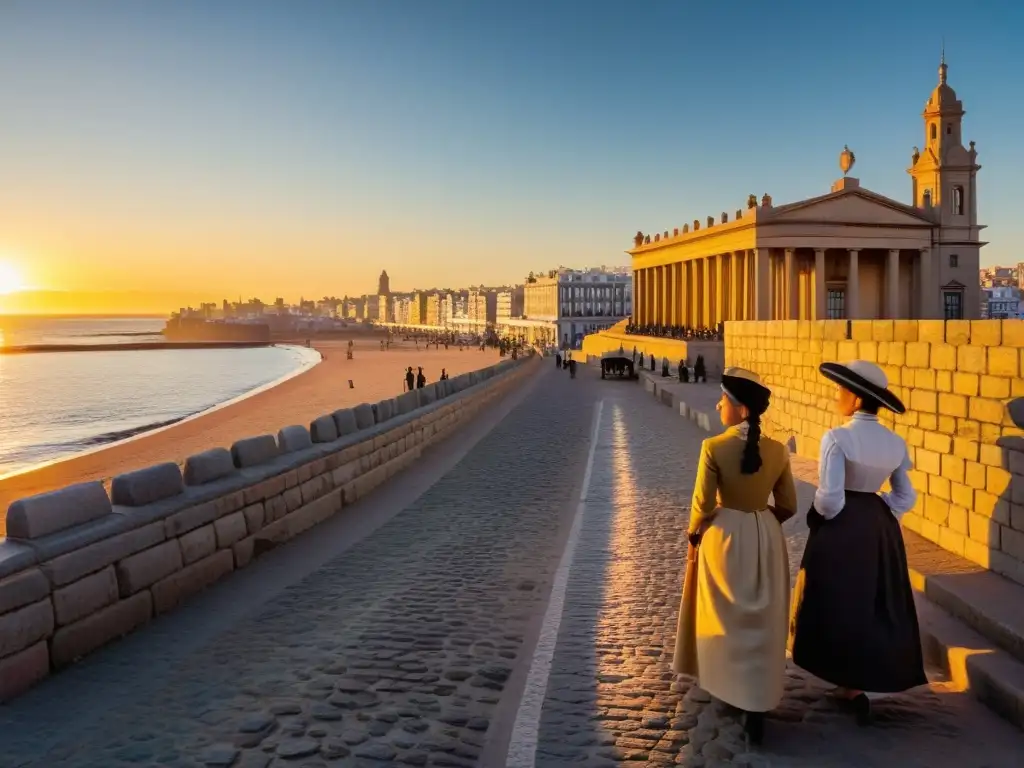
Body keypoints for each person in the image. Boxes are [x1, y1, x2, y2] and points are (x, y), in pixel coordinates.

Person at [789, 360, 925, 725]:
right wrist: (879, 513)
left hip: (843, 526)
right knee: (873, 600)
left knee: (838, 600)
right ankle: (859, 681)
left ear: (853, 397)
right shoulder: (895, 442)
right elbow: (905, 496)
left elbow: (830, 497)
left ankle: (844, 679)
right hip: (879, 528)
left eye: (840, 391)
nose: (837, 397)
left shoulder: (837, 438)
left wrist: (820, 518)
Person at [673, 367, 797, 746]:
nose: (717, 404)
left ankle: (728, 683)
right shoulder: (777, 450)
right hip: (765, 535)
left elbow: (702, 504)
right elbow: (788, 505)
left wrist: (695, 532)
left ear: (740, 410)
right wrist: (763, 521)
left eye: (723, 401)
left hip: (724, 537)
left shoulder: (712, 448)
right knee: (762, 619)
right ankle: (759, 694)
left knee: (726, 616)